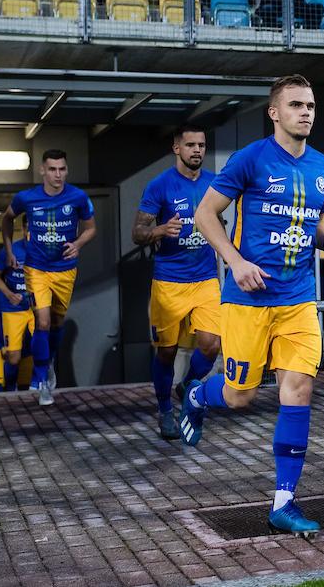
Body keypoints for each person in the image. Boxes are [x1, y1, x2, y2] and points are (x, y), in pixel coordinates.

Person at [180, 75, 324, 537]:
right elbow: (204, 214)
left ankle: (283, 502)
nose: (306, 113)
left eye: (312, 105)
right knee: (240, 397)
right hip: (248, 300)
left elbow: (316, 227)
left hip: (298, 299)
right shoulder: (250, 160)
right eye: (296, 105)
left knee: (298, 390)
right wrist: (235, 261)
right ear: (274, 112)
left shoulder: (323, 168)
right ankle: (199, 393)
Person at [132, 125, 222, 440]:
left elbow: (221, 221)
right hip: (168, 282)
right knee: (166, 353)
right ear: (176, 148)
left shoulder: (215, 183)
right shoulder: (160, 186)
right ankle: (164, 411)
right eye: (190, 145)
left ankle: (186, 386)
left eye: (202, 144)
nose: (197, 150)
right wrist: (158, 231)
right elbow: (137, 233)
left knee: (211, 345)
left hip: (205, 277)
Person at [1, 149, 96, 406]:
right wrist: (10, 250)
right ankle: (41, 379)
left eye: (62, 169)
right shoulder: (26, 198)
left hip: (65, 269)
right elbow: (7, 219)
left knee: (55, 323)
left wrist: (78, 244)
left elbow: (91, 228)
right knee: (41, 322)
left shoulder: (78, 197)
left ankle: (49, 361)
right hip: (36, 268)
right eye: (52, 169)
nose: (57, 174)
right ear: (42, 170)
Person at [0, 243, 34, 392]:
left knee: (43, 346)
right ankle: (10, 392)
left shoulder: (44, 248)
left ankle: (42, 384)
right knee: (13, 357)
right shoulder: (11, 251)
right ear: (24, 229)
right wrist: (9, 294)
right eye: (28, 230)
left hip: (36, 308)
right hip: (12, 310)